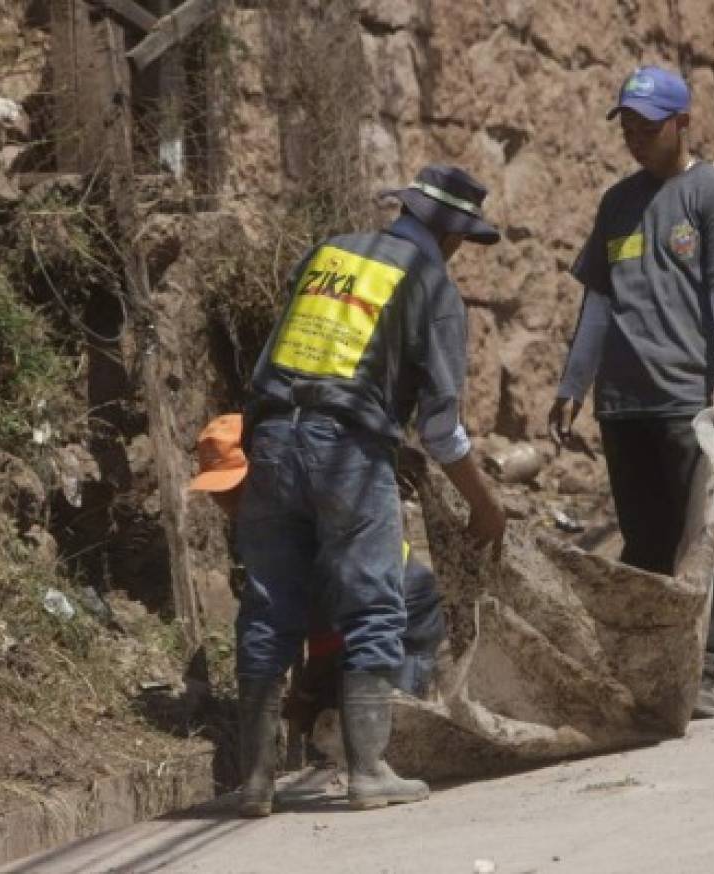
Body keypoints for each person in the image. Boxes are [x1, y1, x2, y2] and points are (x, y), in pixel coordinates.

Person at [232, 165, 506, 816]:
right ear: (450, 234)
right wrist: (483, 502)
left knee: (268, 610)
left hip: (270, 438)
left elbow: (274, 362)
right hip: (349, 450)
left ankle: (254, 780)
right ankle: (369, 771)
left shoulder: (328, 253)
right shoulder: (431, 282)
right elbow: (442, 429)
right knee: (374, 608)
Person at [547, 66, 714, 721]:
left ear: (683, 123)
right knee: (644, 545)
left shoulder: (712, 196)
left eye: (649, 127)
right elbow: (598, 303)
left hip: (688, 403)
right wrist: (572, 384)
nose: (636, 139)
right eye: (629, 127)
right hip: (626, 404)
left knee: (708, 535)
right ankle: (652, 672)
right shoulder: (617, 203)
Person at [186, 414, 447, 747]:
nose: (225, 502)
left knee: (398, 712)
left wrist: (309, 688)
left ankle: (391, 762)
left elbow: (325, 617)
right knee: (338, 702)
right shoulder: (267, 519)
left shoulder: (301, 509)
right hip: (356, 607)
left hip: (404, 602)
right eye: (218, 493)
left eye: (235, 489)